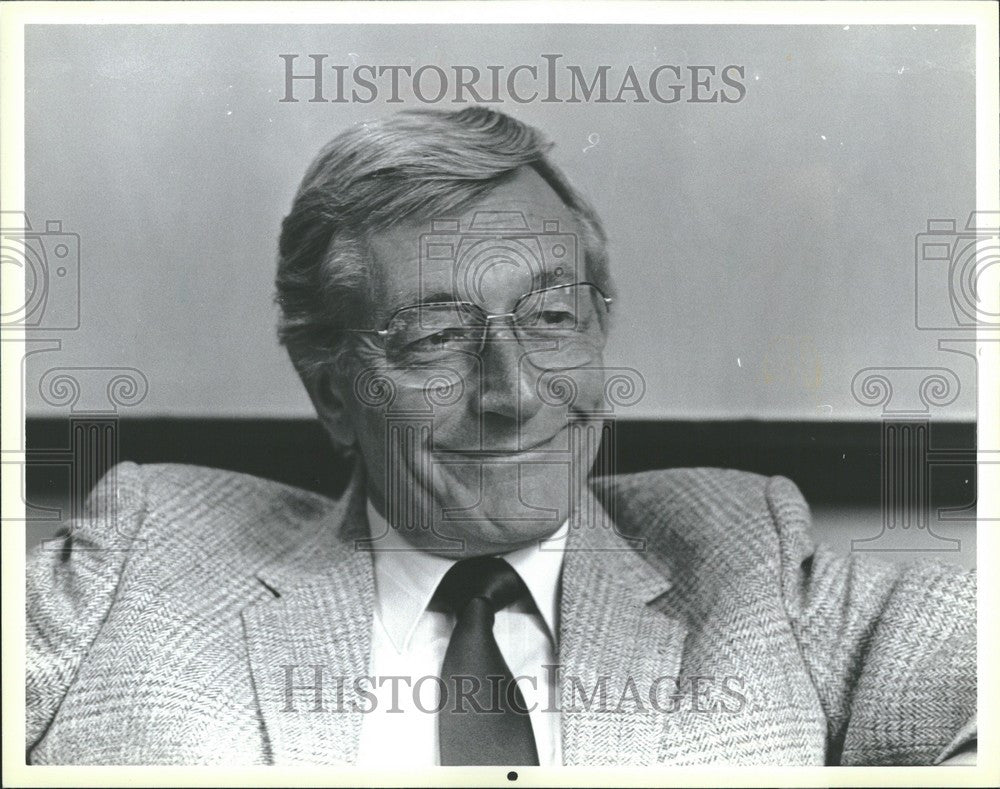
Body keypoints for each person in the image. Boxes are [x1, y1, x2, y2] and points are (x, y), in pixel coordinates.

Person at [26, 107, 975, 767]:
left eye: (553, 317)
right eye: (436, 338)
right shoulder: (148, 551)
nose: (515, 394)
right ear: (333, 393)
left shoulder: (744, 552)